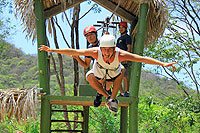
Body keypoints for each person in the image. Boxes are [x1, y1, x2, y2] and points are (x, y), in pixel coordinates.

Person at [39, 34, 176, 114]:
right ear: (101, 48)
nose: (106, 53)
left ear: (113, 48)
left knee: (122, 70)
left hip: (113, 76)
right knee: (89, 76)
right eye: (104, 50)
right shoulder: (95, 52)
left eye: (109, 50)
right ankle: (108, 97)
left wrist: (162, 64)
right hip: (99, 75)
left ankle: (111, 97)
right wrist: (52, 50)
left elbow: (140, 58)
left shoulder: (120, 54)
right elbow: (74, 51)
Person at [73, 25, 111, 108]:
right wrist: (77, 58)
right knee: (90, 76)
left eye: (91, 35)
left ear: (96, 35)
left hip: (109, 66)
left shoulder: (103, 41)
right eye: (87, 36)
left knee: (107, 81)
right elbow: (86, 65)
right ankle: (104, 94)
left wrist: (107, 38)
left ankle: (101, 93)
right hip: (98, 70)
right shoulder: (89, 48)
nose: (89, 37)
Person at [116, 21, 132, 97]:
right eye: (120, 28)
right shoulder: (118, 39)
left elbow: (129, 48)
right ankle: (121, 92)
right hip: (118, 59)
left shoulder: (127, 37)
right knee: (117, 76)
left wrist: (127, 57)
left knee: (125, 76)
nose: (121, 29)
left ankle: (126, 91)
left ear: (125, 28)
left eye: (122, 27)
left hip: (124, 59)